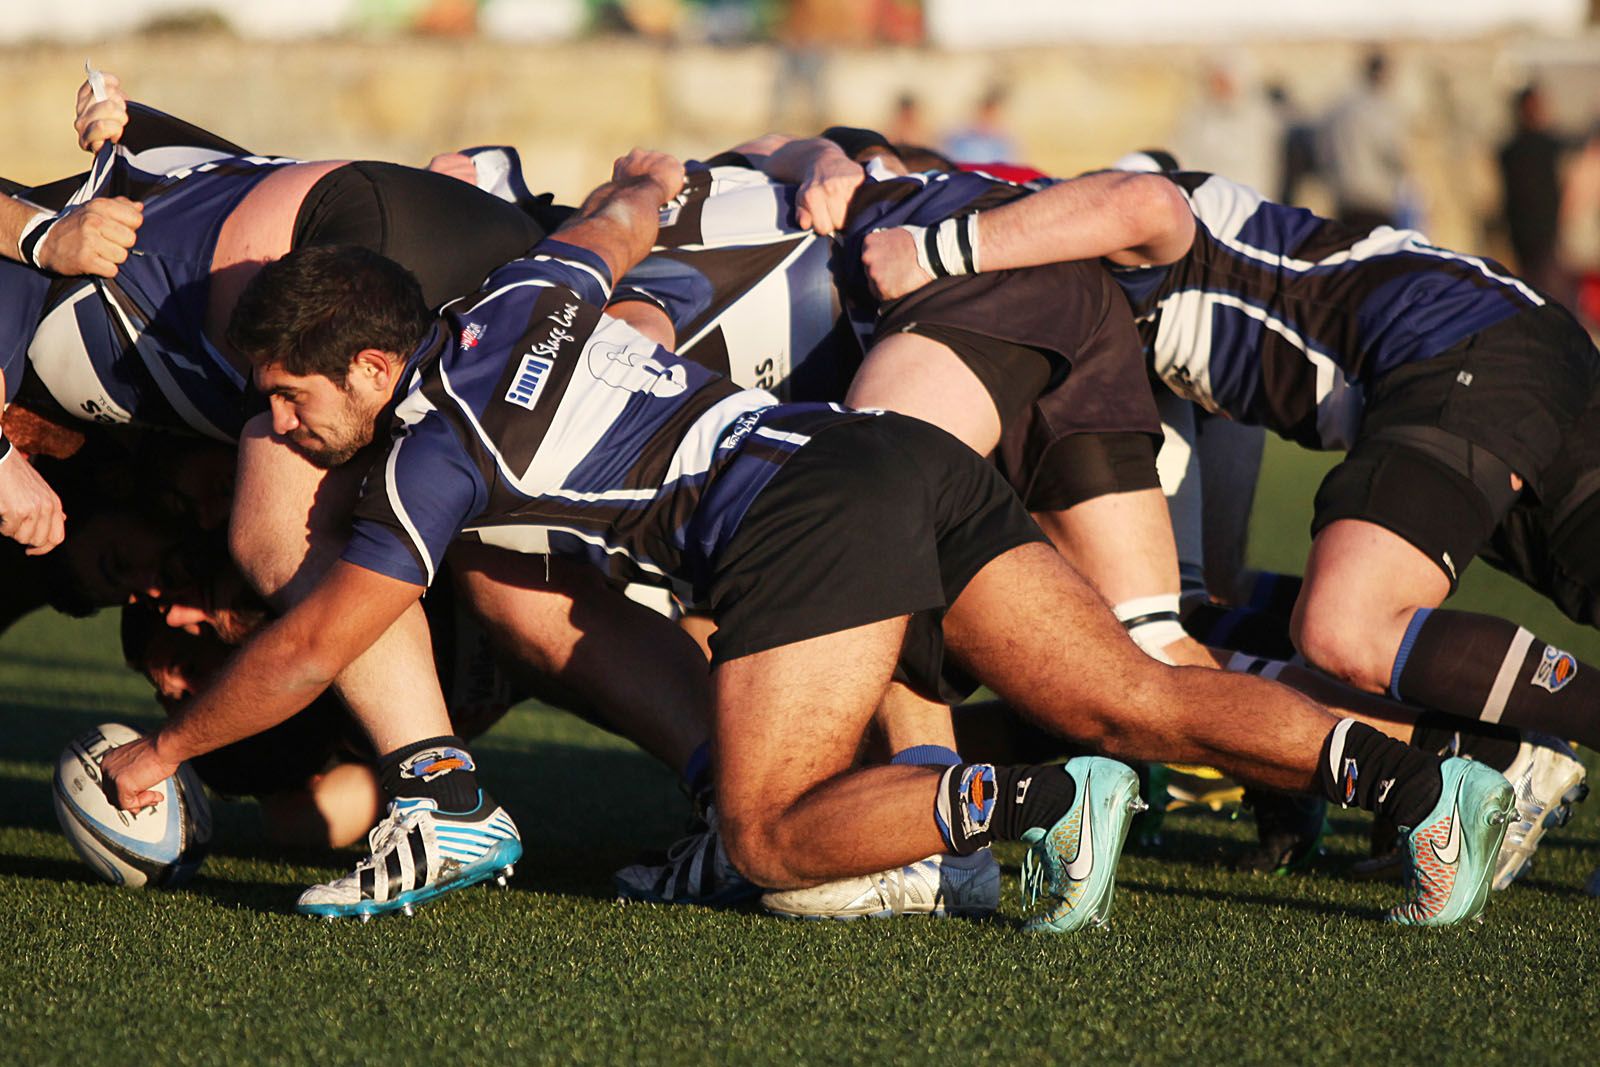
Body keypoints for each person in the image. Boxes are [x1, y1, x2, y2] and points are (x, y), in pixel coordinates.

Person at [98, 149, 1517, 929]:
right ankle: (1421, 790)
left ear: (363, 366)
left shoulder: (430, 455)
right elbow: (608, 220)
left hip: (805, 520)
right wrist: (654, 182)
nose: (277, 428)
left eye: (288, 400)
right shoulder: (522, 296)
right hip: (881, 454)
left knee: (767, 834)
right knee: (1139, 689)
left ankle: (1023, 808)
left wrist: (157, 756)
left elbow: (309, 645)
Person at [857, 158, 1600, 885]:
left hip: (1455, 346)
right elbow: (1203, 591)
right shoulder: (1129, 321)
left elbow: (1144, 200)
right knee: (1207, 615)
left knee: (1346, 625)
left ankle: (1500, 757)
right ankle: (1443, 755)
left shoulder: (1085, 230)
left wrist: (929, 250)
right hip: (1503, 339)